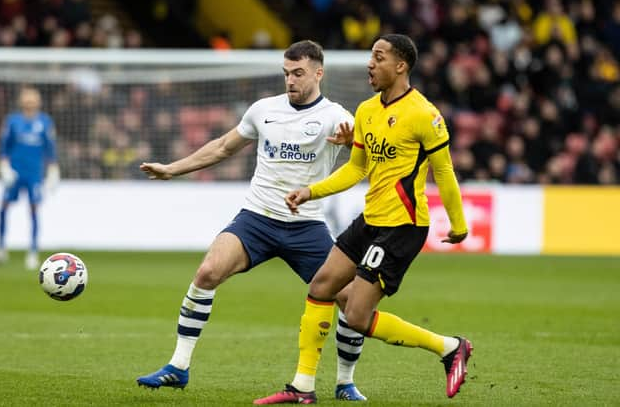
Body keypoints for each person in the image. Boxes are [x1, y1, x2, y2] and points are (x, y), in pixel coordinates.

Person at [136, 40, 368, 401]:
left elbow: (366, 157)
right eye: (286, 73)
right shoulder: (263, 109)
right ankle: (178, 367)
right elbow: (223, 146)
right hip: (257, 218)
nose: (290, 80)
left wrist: (354, 144)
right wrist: (172, 169)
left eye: (298, 73)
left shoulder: (337, 117)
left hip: (306, 226)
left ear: (319, 73)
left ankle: (345, 381)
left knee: (351, 300)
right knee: (207, 272)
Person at [255, 34, 472, 405]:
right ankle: (302, 387)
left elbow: (445, 172)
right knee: (321, 286)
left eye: (379, 57)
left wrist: (458, 223)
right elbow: (356, 169)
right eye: (371, 57)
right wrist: (312, 191)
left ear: (401, 65)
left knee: (356, 315)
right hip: (369, 219)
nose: (370, 64)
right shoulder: (368, 111)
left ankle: (451, 347)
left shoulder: (424, 114)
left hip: (402, 226)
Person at [0, 87, 60, 271]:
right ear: (22, 101)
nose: (30, 102)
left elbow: (50, 148)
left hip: (34, 173)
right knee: (3, 207)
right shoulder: (13, 121)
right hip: (15, 172)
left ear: (38, 101)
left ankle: (33, 251)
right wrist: (4, 166)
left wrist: (53, 169)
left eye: (33, 99)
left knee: (33, 209)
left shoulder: (45, 122)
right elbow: (4, 146)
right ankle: (0, 250)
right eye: (27, 99)